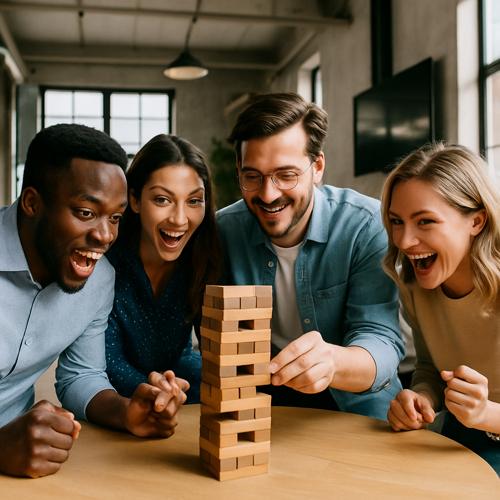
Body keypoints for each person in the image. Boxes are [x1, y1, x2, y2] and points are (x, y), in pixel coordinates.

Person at [0, 124, 188, 479]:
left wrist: (127, 412)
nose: (104, 236)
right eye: (86, 212)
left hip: (31, 464)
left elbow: (81, 375)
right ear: (32, 203)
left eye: (115, 217)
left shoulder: (99, 279)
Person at [217, 92, 404, 419]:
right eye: (252, 176)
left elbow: (382, 340)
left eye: (286, 175)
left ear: (317, 167)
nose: (268, 193)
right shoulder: (222, 231)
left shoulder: (365, 225)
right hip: (261, 404)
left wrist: (333, 362)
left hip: (355, 401)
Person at [381, 143, 500, 474]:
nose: (404, 241)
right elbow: (430, 368)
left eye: (425, 222)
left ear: (476, 221)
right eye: (396, 221)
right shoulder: (416, 288)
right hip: (459, 440)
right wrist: (420, 398)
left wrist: (486, 414)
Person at [105, 134, 220, 403]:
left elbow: (209, 349)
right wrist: (155, 388)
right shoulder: (107, 263)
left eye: (194, 201)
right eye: (162, 200)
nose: (180, 219)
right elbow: (106, 362)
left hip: (179, 375)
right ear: (134, 200)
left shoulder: (203, 257)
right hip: (115, 392)